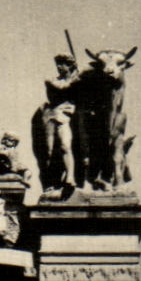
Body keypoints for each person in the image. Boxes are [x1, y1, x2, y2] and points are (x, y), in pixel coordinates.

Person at [32, 54, 80, 196]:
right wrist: (76, 78)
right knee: (49, 152)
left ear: (70, 65)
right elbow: (62, 88)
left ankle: (70, 177)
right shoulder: (51, 80)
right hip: (52, 117)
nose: (59, 67)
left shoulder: (77, 80)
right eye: (58, 64)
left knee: (66, 145)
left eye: (62, 64)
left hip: (66, 118)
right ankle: (51, 182)